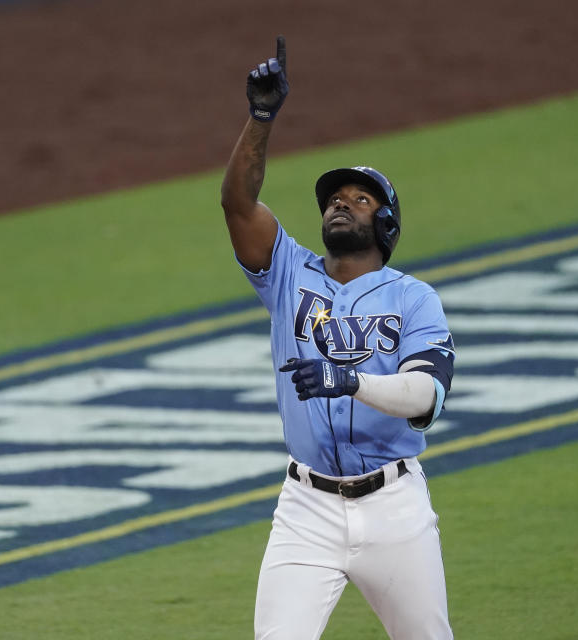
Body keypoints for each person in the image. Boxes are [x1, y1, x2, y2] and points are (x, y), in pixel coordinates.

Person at [220, 36, 456, 640]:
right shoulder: (286, 273)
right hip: (306, 508)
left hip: (394, 506)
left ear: (386, 222)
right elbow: (237, 201)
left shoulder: (413, 298)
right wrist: (260, 118)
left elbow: (425, 397)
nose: (340, 205)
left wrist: (349, 380)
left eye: (359, 198)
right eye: (332, 199)